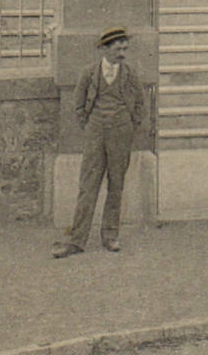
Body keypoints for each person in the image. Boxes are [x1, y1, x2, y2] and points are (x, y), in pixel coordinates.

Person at [53, 27, 147, 258]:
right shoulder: (89, 73)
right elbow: (78, 104)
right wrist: (90, 125)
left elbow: (140, 104)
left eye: (125, 48)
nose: (122, 52)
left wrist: (128, 123)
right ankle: (76, 240)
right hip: (95, 133)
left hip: (121, 133)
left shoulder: (130, 73)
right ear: (105, 48)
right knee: (88, 185)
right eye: (118, 48)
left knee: (116, 184)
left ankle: (110, 236)